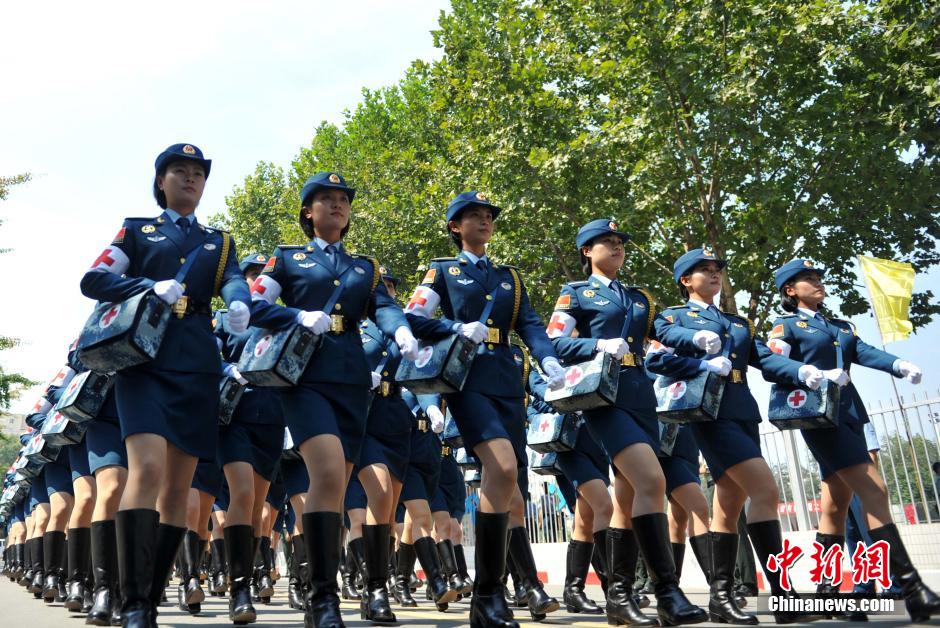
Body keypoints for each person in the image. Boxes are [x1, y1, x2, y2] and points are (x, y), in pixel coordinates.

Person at [80, 143, 252, 628]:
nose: (191, 179)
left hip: (197, 363)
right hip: (145, 364)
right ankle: (131, 601)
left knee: (178, 489)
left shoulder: (219, 242)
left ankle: (149, 599)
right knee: (148, 470)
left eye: (198, 174)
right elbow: (94, 279)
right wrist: (144, 286)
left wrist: (239, 304)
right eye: (180, 171)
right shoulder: (137, 232)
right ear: (161, 181)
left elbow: (234, 280)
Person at [248, 171, 419, 628]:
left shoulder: (365, 267)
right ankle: (322, 598)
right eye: (326, 199)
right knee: (324, 472)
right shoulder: (287, 259)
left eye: (343, 199)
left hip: (350, 379)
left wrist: (399, 328)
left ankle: (369, 589)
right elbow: (252, 305)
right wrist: (296, 316)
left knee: (340, 486)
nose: (337, 205)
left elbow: (382, 305)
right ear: (309, 211)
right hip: (303, 379)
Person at [404, 190, 566, 628]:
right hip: (468, 381)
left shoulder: (508, 276)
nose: (484, 221)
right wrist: (456, 326)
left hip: (507, 383)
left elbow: (529, 321)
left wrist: (548, 356)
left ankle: (501, 592)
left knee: (512, 489)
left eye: (488, 216)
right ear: (455, 227)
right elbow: (413, 317)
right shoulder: (442, 271)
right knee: (503, 468)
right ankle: (489, 592)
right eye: (473, 216)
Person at [647, 247, 825, 624]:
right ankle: (783, 595)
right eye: (704, 270)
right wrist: (700, 361)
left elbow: (765, 359)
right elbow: (656, 359)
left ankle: (721, 597)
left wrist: (802, 371)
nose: (714, 275)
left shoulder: (737, 321)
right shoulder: (673, 318)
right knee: (765, 490)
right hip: (710, 414)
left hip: (743, 410)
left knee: (727, 506)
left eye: (717, 270)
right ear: (685, 280)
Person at [547, 219, 707, 627]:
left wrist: (698, 342)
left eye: (620, 243)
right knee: (652, 481)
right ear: (587, 251)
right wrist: (597, 344)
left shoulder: (639, 298)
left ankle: (619, 596)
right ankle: (667, 592)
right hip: (604, 399)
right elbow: (555, 342)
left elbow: (664, 334)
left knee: (628, 495)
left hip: (639, 397)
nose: (617, 247)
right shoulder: (576, 294)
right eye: (608, 242)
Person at [763, 258, 938, 623]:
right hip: (820, 418)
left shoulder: (838, 326)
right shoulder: (787, 326)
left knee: (835, 504)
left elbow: (863, 352)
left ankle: (826, 594)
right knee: (874, 490)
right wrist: (805, 371)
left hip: (850, 415)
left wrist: (898, 364)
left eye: (818, 277)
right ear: (790, 290)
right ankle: (912, 588)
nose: (817, 282)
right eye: (808, 279)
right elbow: (772, 361)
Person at [214, 252, 286, 624]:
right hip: (233, 416)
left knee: (260, 508)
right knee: (241, 494)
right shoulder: (227, 318)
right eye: (252, 275)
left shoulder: (282, 321)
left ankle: (253, 569)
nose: (259, 281)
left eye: (264, 276)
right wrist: (229, 368)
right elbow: (209, 352)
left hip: (271, 417)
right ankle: (238, 588)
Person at [527, 369, 611, 615]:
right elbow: (533, 409)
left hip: (596, 444)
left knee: (586, 521)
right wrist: (560, 404)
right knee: (604, 506)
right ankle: (617, 588)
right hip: (569, 447)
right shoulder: (547, 367)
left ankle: (574, 591)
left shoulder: (596, 359)